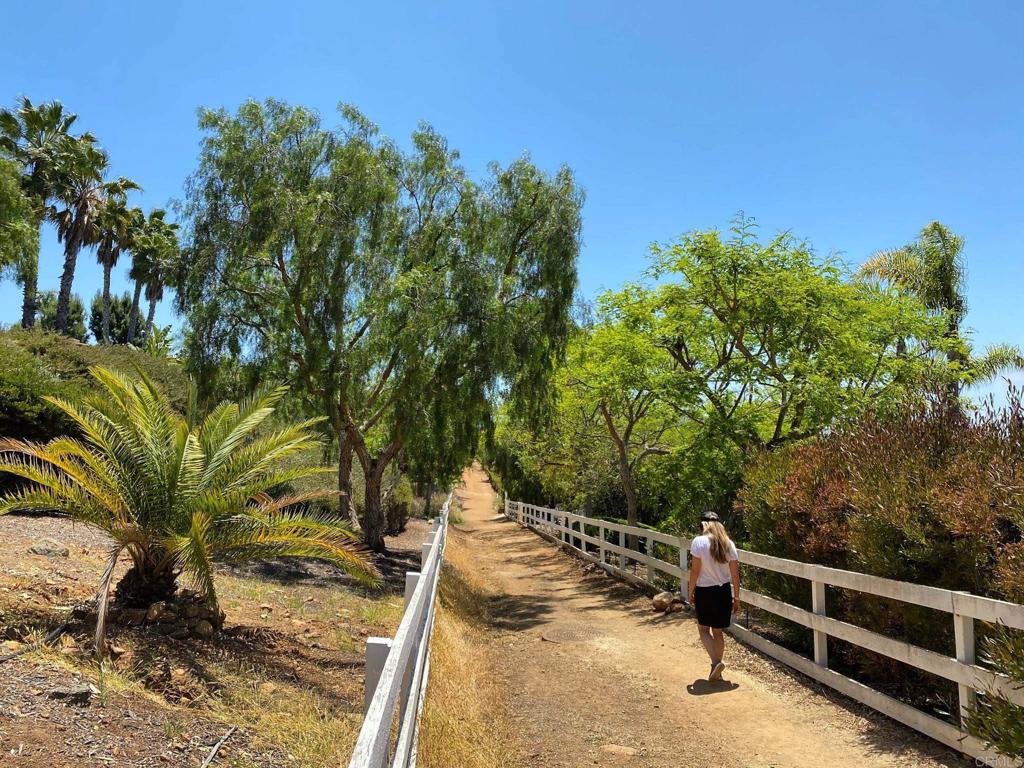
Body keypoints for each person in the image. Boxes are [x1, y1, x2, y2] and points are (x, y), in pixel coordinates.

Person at [687, 511, 740, 682]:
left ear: (703, 524)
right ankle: (717, 670)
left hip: (705, 591)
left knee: (703, 630)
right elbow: (735, 575)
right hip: (723, 592)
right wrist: (737, 598)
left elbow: (695, 571)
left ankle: (716, 662)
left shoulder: (699, 542)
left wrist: (690, 591)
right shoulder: (728, 544)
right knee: (718, 631)